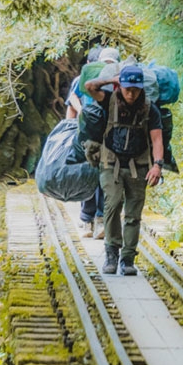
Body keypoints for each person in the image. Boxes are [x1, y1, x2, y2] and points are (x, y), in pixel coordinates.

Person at [84, 63, 164, 276]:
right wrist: (112, 81)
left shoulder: (150, 108)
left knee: (133, 214)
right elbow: (89, 86)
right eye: (127, 88)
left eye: (135, 89)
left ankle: (127, 259)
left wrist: (157, 165)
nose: (131, 93)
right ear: (121, 86)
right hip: (110, 163)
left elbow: (157, 139)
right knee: (113, 204)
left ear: (141, 89)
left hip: (139, 166)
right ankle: (111, 253)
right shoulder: (110, 100)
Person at [66, 45, 109, 238]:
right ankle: (87, 219)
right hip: (88, 134)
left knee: (100, 175)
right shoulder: (80, 81)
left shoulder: (109, 81)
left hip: (104, 134)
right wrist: (70, 127)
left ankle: (96, 219)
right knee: (88, 173)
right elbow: (72, 104)